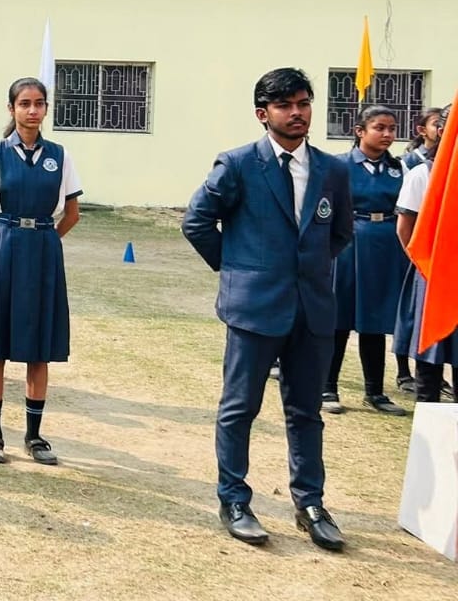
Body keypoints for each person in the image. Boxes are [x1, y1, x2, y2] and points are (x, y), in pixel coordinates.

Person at [182, 67, 353, 551]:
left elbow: (340, 233)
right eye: (284, 106)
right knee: (240, 409)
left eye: (303, 103)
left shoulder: (332, 170)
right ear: (263, 114)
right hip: (254, 310)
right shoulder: (238, 164)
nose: (297, 113)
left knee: (306, 412)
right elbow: (197, 222)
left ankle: (310, 504)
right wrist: (238, 269)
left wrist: (306, 271)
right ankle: (234, 500)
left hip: (312, 310)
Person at [0, 78, 81, 467]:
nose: (32, 110)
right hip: (5, 244)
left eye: (39, 103)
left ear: (46, 108)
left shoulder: (60, 155)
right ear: (11, 108)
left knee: (38, 347)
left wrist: (47, 240)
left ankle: (34, 435)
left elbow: (72, 213)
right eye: (24, 103)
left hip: (43, 251)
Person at [325, 105, 408, 416]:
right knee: (339, 318)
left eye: (392, 128)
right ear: (360, 131)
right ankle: (327, 387)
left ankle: (375, 392)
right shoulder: (338, 165)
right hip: (348, 244)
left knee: (374, 320)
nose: (387, 134)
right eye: (379, 128)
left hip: (385, 246)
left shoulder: (399, 168)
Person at [396, 117, 458, 404]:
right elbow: (405, 229)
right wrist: (426, 266)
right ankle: (428, 412)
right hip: (433, 273)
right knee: (430, 353)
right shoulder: (423, 174)